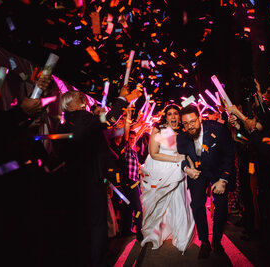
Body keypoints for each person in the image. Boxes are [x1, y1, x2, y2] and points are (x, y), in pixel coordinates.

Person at [54, 86, 141, 267]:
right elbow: (109, 119)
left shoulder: (62, 126)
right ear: (72, 105)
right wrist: (122, 98)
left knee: (79, 225)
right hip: (91, 181)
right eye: (80, 98)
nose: (83, 99)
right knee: (97, 225)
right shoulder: (84, 119)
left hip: (71, 182)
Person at [177, 104, 236, 259]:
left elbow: (230, 155)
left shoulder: (218, 129)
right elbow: (181, 158)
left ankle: (216, 240)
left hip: (217, 170)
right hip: (197, 173)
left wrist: (223, 179)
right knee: (196, 204)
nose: (190, 126)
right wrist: (186, 169)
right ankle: (204, 241)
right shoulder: (181, 137)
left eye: (193, 121)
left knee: (221, 205)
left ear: (200, 118)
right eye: (186, 123)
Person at [140, 104, 196, 253]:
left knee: (179, 203)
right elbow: (153, 153)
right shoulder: (159, 130)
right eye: (170, 114)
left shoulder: (183, 132)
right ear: (166, 116)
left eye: (175, 113)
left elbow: (189, 153)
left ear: (180, 116)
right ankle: (155, 233)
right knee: (158, 204)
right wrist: (177, 159)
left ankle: (181, 236)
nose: (173, 116)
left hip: (178, 172)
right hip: (160, 171)